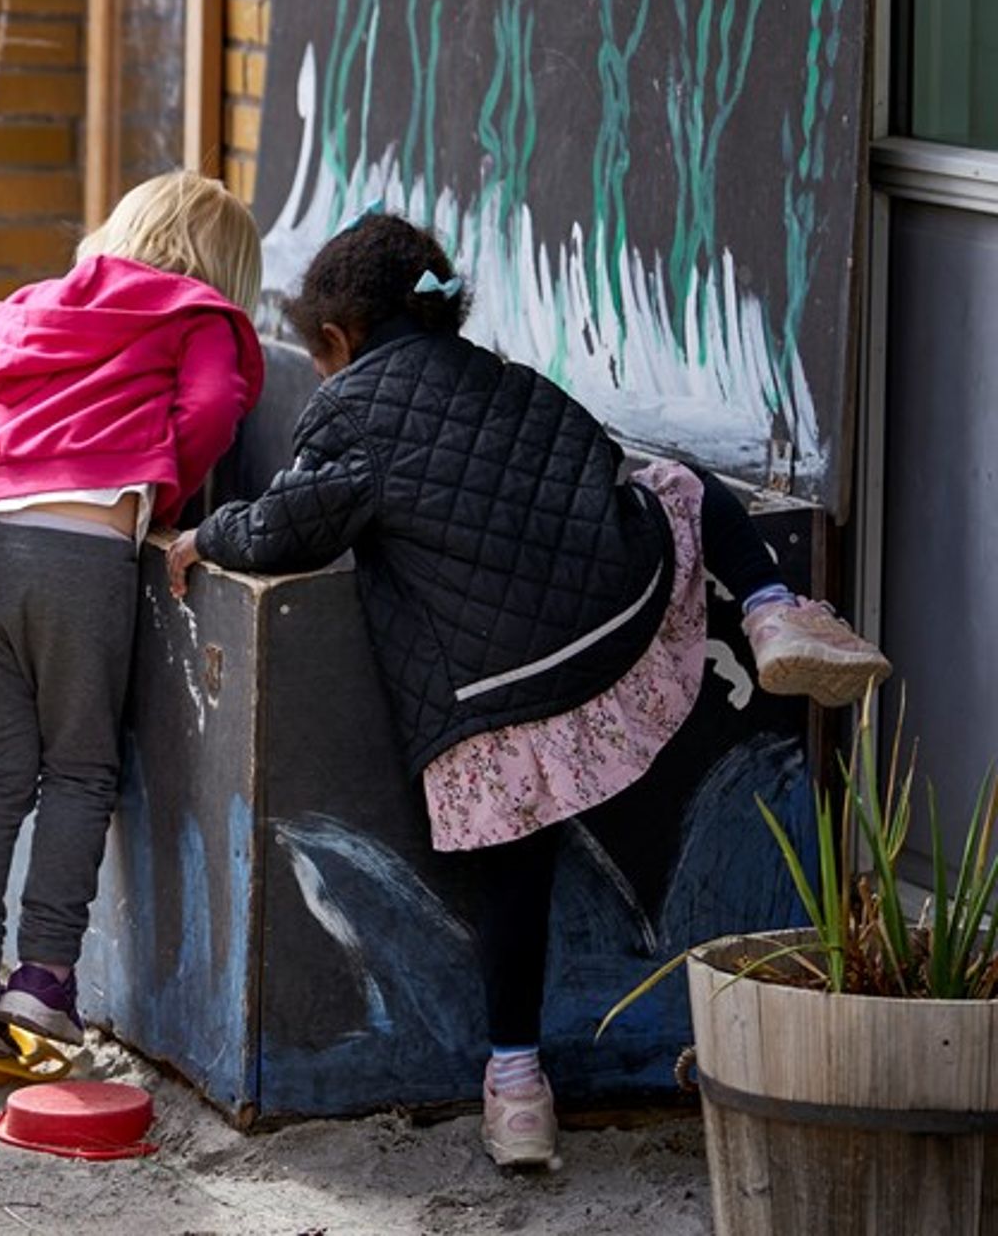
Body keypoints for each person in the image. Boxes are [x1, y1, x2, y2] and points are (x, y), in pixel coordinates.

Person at [168, 213, 890, 1169]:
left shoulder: (349, 412)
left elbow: (292, 527)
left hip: (495, 689)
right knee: (682, 483)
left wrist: (207, 537)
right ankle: (769, 607)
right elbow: (603, 466)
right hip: (614, 622)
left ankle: (516, 1087)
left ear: (336, 341)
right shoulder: (512, 379)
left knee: (516, 864)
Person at [0, 172, 265, 1056]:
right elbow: (216, 406)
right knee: (78, 768)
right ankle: (43, 977)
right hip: (85, 551)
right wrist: (165, 489)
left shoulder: (31, 305)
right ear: (225, 270)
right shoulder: (197, 315)